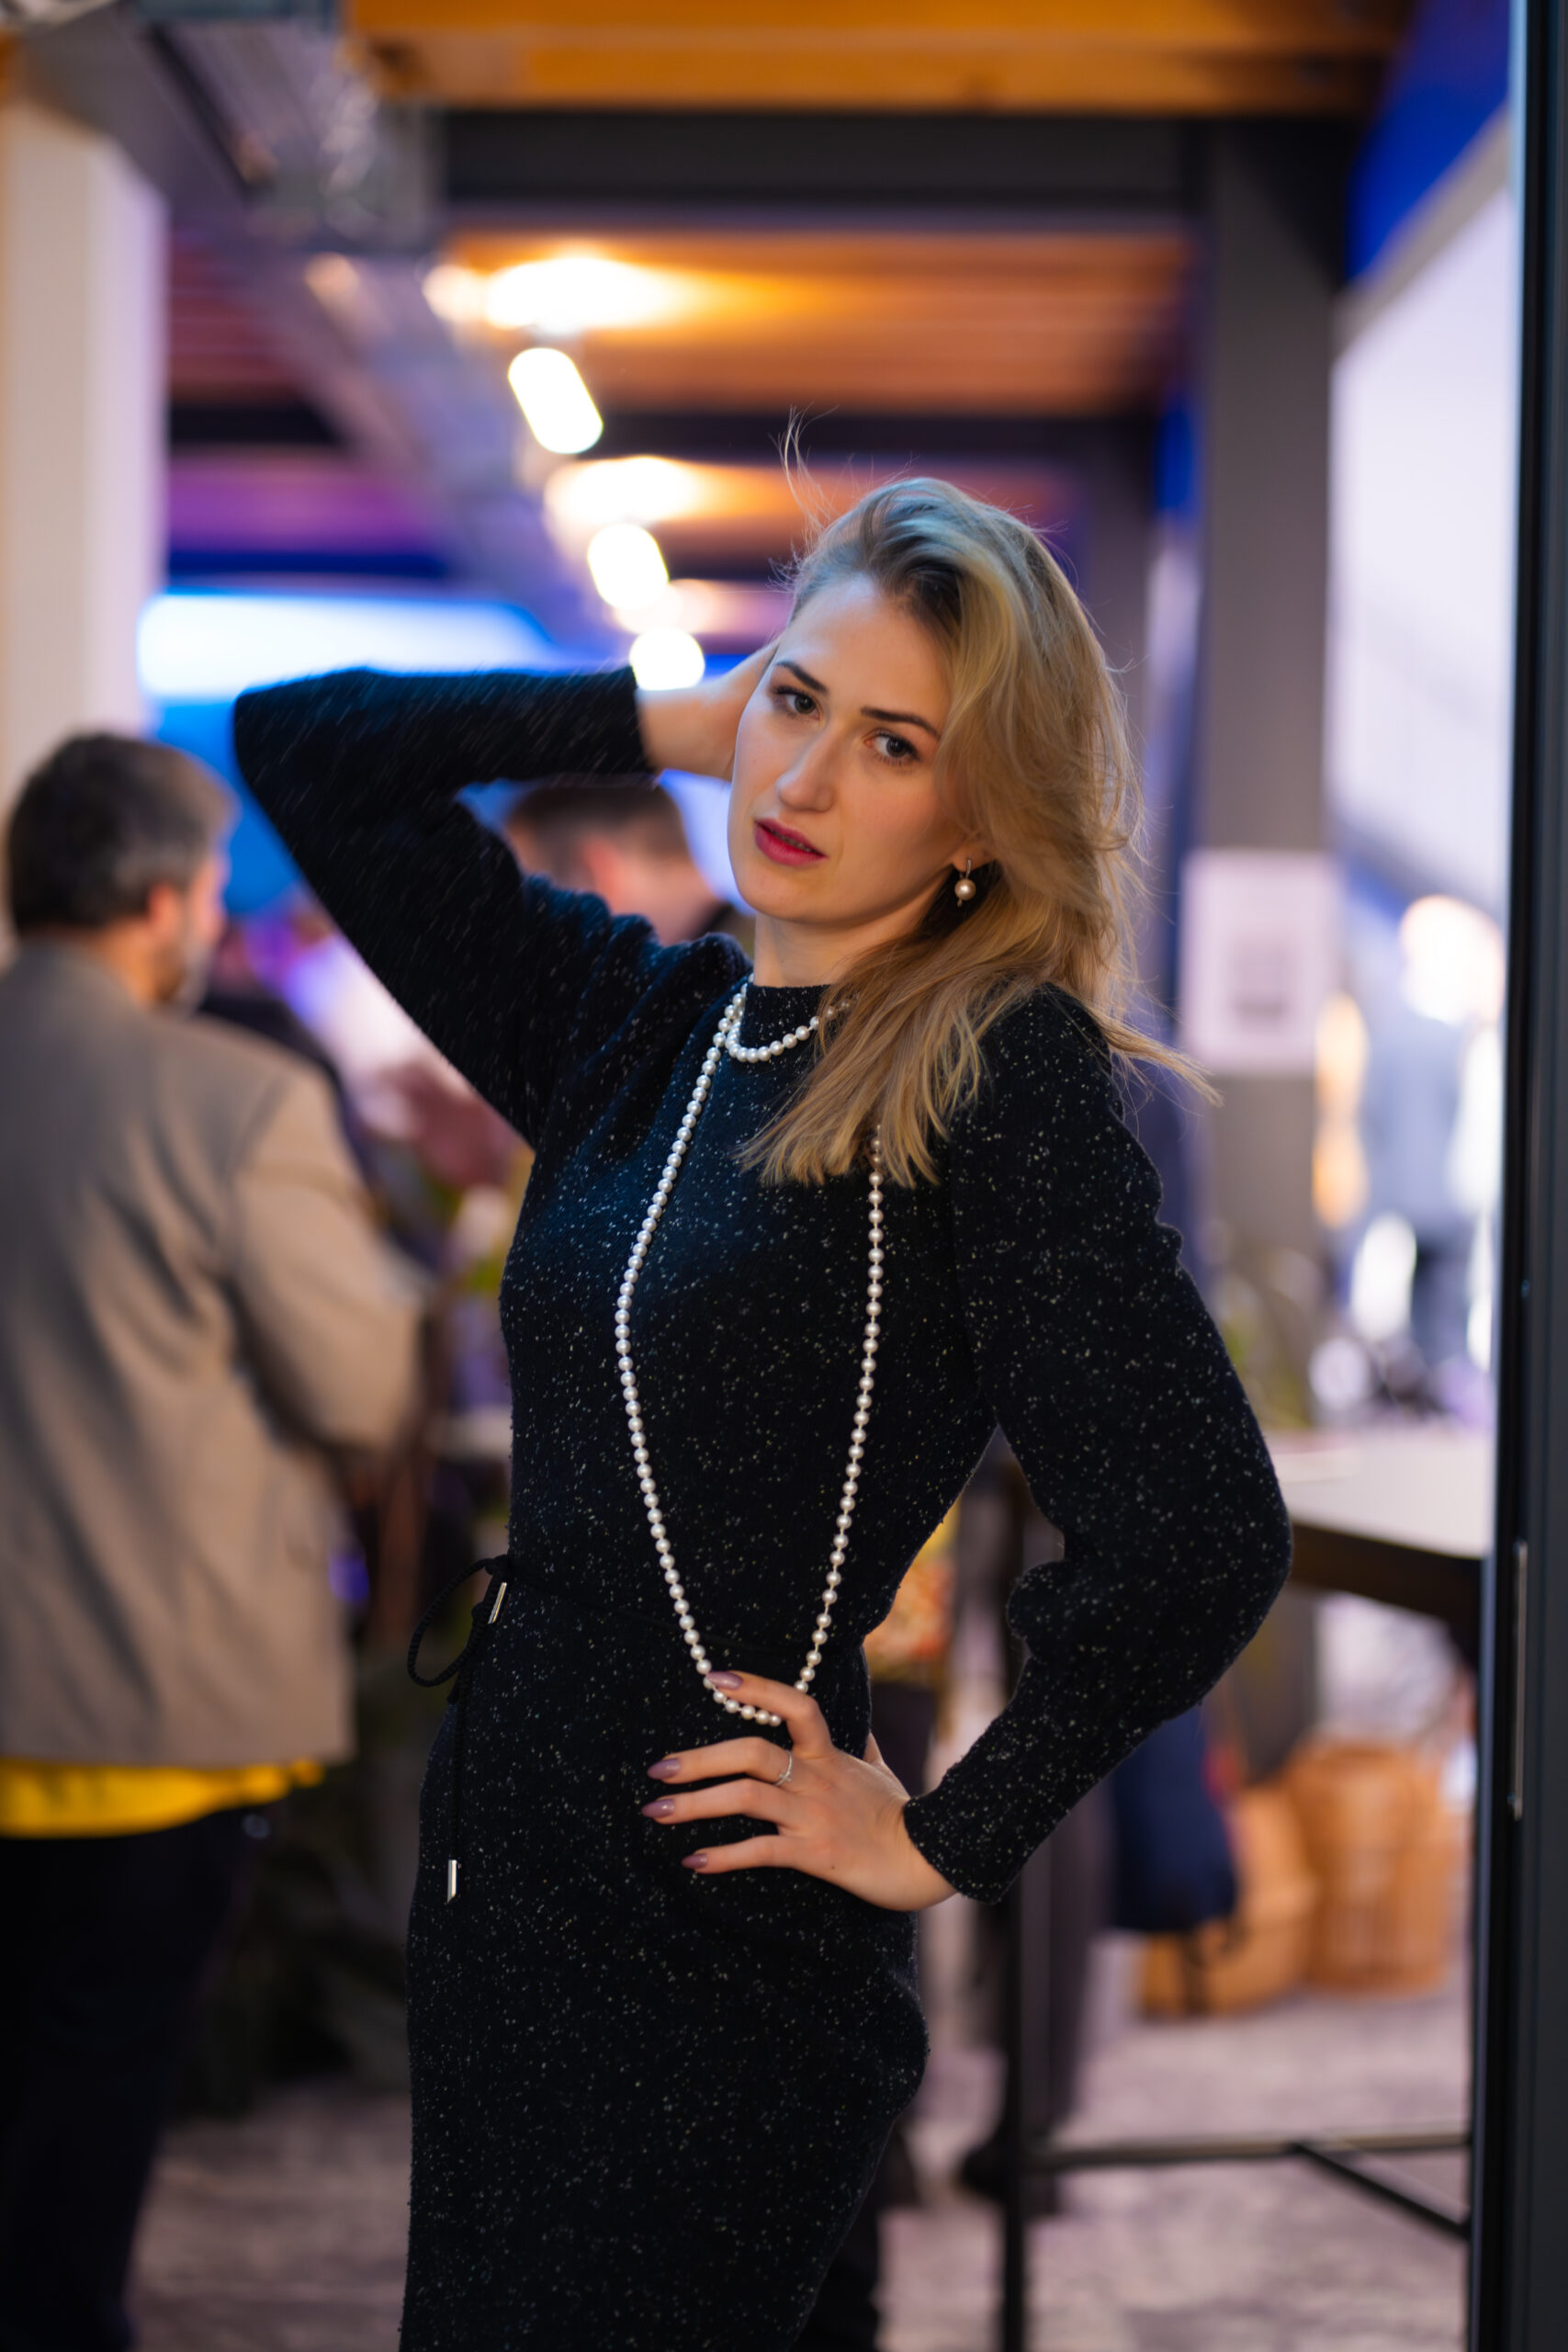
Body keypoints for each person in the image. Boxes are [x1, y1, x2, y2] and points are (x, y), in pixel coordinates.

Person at [234, 477, 1292, 2352]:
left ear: (979, 814)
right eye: (795, 703)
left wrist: (946, 1836)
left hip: (719, 1907)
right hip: (509, 1871)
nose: (801, 779)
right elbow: (302, 744)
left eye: (894, 744)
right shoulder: (638, 1024)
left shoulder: (994, 1073)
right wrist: (673, 713)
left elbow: (1199, 1532)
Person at [0, 733, 424, 2352]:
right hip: (149, 1702)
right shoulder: (233, 1101)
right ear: (171, 903)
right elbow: (355, 1386)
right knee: (93, 2098)